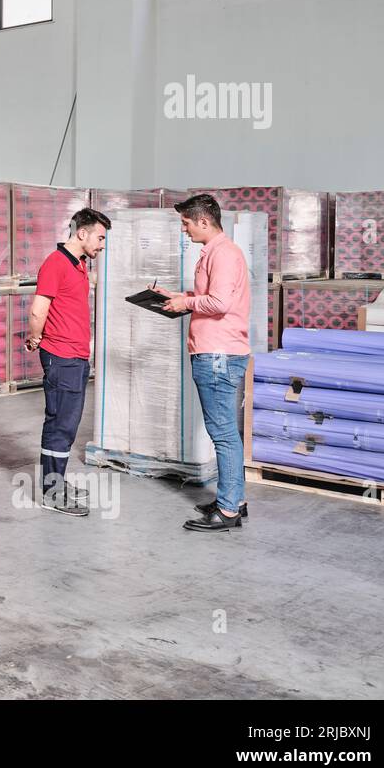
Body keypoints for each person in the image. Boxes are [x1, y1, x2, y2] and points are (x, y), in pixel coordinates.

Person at [154, 193, 251, 532]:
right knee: (226, 433)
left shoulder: (223, 254)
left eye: (186, 223)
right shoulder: (221, 252)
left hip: (217, 355)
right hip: (221, 352)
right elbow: (212, 297)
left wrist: (186, 303)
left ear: (204, 221)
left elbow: (220, 302)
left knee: (223, 434)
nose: (184, 230)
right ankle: (233, 499)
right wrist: (181, 298)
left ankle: (227, 511)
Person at [26, 208, 109, 517]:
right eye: (100, 238)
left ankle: (56, 481)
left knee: (67, 424)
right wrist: (36, 338)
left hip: (74, 355)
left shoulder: (78, 265)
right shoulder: (55, 263)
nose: (102, 245)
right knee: (60, 424)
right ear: (82, 233)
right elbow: (38, 309)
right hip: (62, 356)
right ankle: (51, 491)